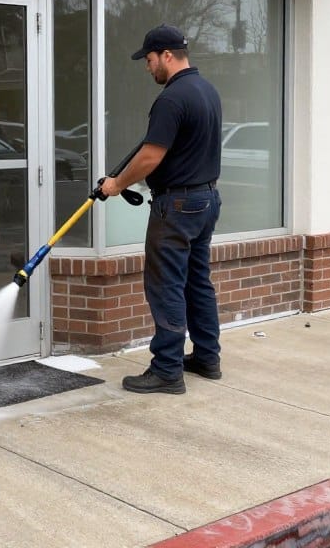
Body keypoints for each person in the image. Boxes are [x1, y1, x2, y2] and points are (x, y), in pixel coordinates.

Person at [99, 24, 223, 395]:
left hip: (178, 205)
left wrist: (116, 185)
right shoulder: (206, 90)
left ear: (167, 56)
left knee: (166, 284)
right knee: (197, 281)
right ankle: (207, 357)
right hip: (206, 199)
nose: (147, 67)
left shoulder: (171, 99)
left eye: (150, 60)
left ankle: (167, 369)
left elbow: (151, 155)